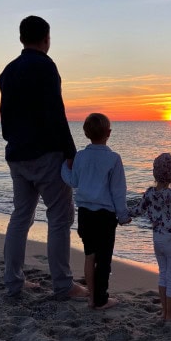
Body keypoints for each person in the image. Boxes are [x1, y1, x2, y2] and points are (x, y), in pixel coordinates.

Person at [0, 15, 88, 300]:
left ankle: (13, 282)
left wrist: (14, 140)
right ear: (46, 38)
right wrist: (71, 152)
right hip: (46, 152)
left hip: (17, 153)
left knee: (21, 216)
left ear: (22, 38)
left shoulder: (8, 71)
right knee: (60, 217)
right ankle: (63, 284)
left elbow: (5, 119)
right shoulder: (46, 66)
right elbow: (55, 113)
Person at [61, 113, 130, 309]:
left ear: (85, 133)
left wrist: (64, 168)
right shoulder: (113, 159)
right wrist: (123, 215)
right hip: (105, 216)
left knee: (90, 255)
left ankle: (92, 297)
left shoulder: (80, 157)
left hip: (85, 214)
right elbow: (118, 191)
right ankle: (101, 299)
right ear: (109, 133)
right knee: (104, 259)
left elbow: (73, 181)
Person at [129, 153, 171, 321]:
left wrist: (122, 215)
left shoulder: (149, 193)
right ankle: (170, 314)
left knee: (163, 273)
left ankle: (165, 311)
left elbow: (137, 210)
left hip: (157, 239)